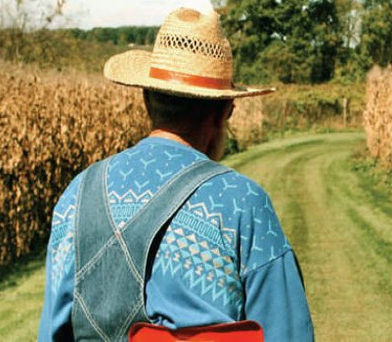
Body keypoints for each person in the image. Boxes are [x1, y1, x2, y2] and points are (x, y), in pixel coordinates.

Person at [38, 6, 314, 342]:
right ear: (223, 111)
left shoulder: (76, 196)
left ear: (147, 100)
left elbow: (52, 333)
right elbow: (286, 332)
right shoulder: (242, 204)